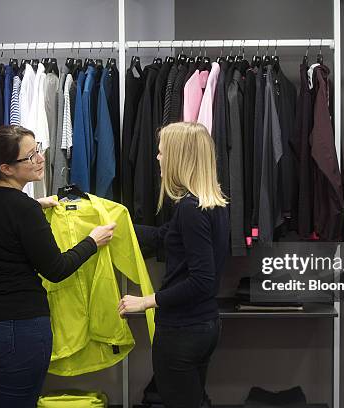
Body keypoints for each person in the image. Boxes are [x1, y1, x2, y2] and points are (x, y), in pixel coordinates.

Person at [0, 125, 116, 408]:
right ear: (6, 167)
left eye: (38, 149)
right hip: (15, 332)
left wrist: (34, 206)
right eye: (30, 157)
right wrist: (92, 240)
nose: (40, 159)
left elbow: (1, 223)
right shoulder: (22, 208)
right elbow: (56, 269)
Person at [118, 122, 230, 408]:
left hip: (182, 330)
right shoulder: (211, 204)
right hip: (204, 325)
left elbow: (201, 280)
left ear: (180, 157)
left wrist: (146, 301)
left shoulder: (189, 210)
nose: (157, 158)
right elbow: (162, 236)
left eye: (161, 152)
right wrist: (115, 223)